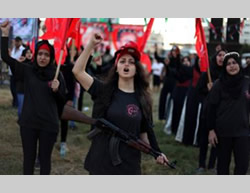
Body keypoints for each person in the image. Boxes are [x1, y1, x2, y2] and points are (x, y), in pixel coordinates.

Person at [72, 33, 169, 175]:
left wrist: (157, 152)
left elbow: (145, 133)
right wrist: (91, 45)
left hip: (129, 165)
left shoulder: (143, 99)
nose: (126, 64)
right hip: (101, 162)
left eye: (131, 62)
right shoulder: (103, 90)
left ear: (136, 69)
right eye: (122, 61)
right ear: (116, 67)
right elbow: (77, 71)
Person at [1, 21, 66, 175]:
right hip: (28, 124)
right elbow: (5, 57)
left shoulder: (57, 75)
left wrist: (57, 90)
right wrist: (4, 34)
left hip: (49, 126)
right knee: (28, 161)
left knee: (44, 161)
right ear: (36, 55)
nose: (43, 57)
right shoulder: (28, 70)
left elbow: (63, 101)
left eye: (46, 55)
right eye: (40, 54)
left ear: (51, 58)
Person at [207, 52, 250, 175]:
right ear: (225, 67)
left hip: (243, 131)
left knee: (242, 166)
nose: (232, 66)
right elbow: (210, 108)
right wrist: (211, 130)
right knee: (222, 167)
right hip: (222, 132)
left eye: (234, 63)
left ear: (239, 64)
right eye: (228, 64)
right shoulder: (218, 84)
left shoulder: (247, 82)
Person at [9, 36, 25, 107]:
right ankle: (15, 100)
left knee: (17, 88)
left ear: (20, 42)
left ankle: (17, 103)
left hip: (19, 73)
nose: (16, 43)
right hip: (11, 72)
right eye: (15, 41)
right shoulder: (13, 50)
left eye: (18, 41)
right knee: (12, 88)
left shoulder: (23, 50)